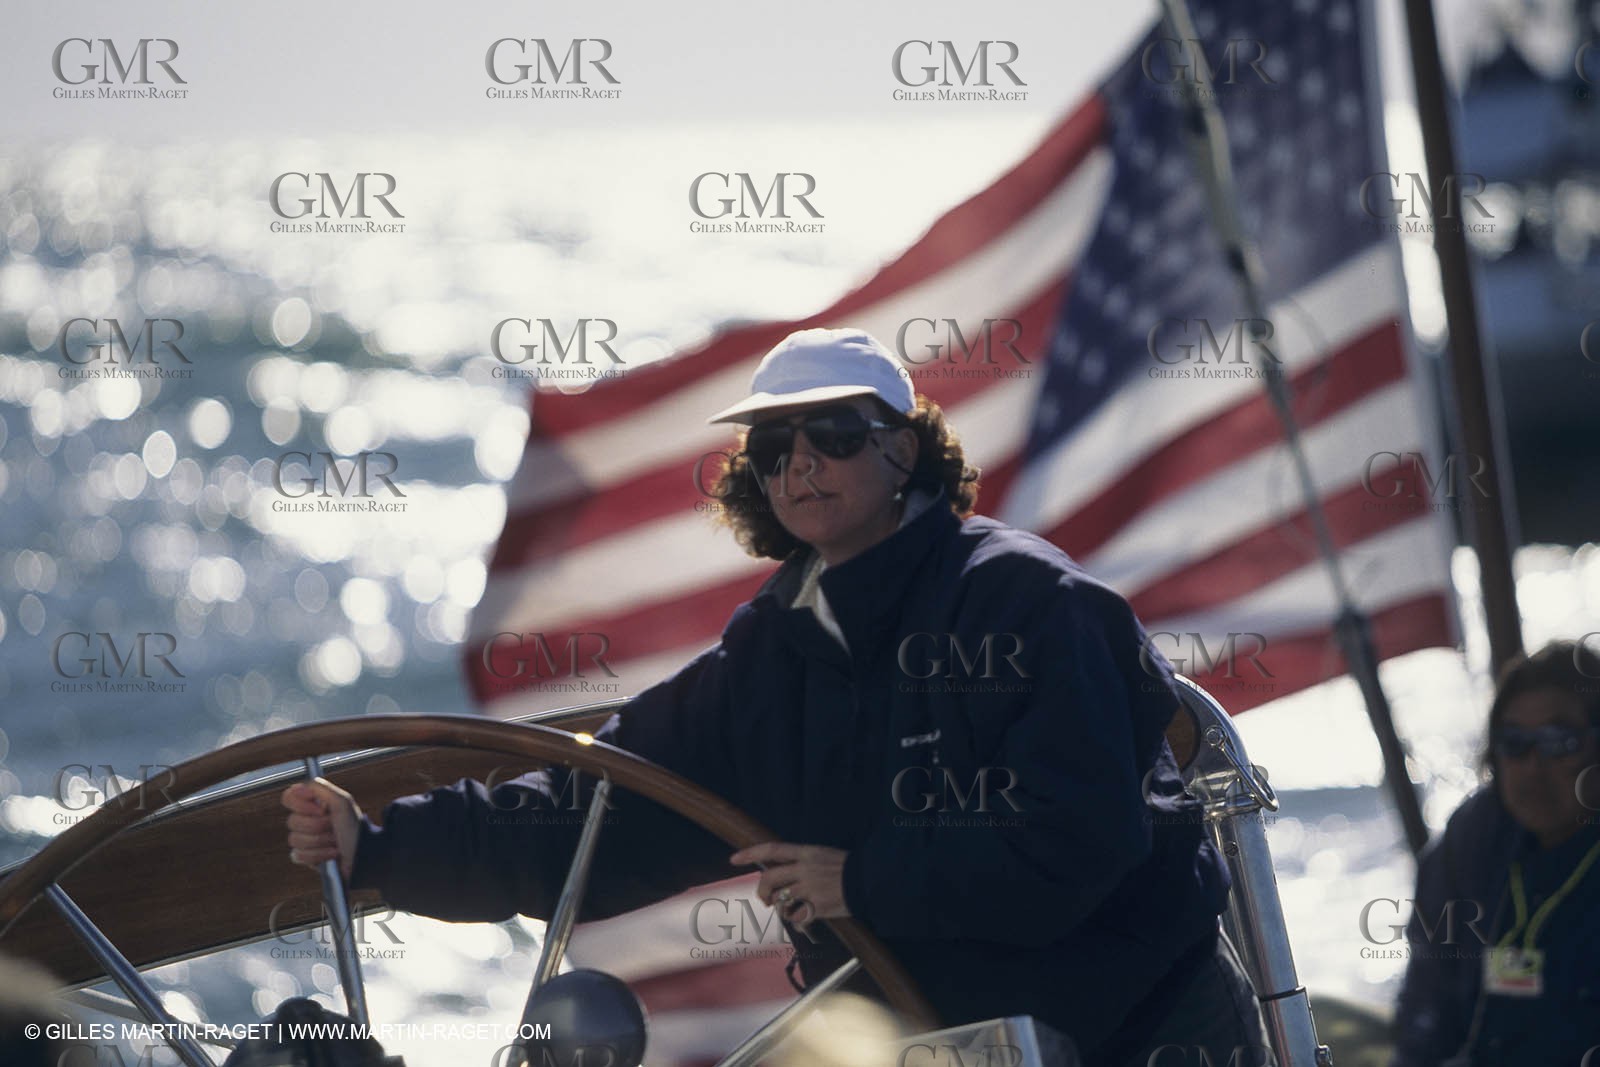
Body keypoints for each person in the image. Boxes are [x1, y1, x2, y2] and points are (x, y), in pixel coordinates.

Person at [284, 328, 1270, 1066]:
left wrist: (864, 882)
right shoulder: (769, 657)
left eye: (833, 434)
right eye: (772, 445)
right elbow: (596, 810)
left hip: (1149, 1035)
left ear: (904, 451)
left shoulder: (1030, 602)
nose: (800, 462)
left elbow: (1081, 841)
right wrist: (383, 845)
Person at [1390, 640, 1600, 1066]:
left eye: (1559, 741)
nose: (1532, 766)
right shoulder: (1473, 841)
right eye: (1514, 742)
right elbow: (1427, 1007)